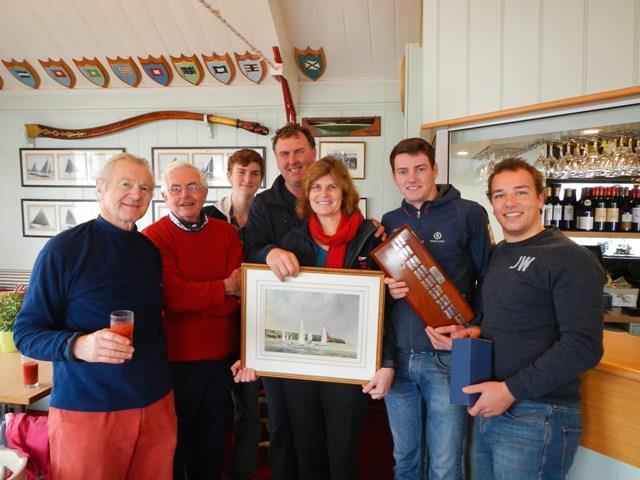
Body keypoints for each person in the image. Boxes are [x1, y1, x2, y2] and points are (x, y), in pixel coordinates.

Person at [13, 153, 176, 480]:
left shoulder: (149, 252)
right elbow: (26, 333)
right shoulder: (63, 250)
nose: (136, 194)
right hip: (89, 409)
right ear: (100, 188)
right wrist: (79, 345)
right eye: (126, 184)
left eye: (145, 187)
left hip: (155, 401)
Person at [463, 157, 605, 480]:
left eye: (520, 193)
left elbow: (583, 345)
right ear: (492, 204)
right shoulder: (499, 254)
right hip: (492, 407)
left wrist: (510, 390)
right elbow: (506, 321)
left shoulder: (570, 259)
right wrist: (471, 332)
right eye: (499, 195)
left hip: (538, 415)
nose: (509, 203)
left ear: (541, 198)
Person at [270, 157, 395, 480]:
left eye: (331, 186)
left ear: (344, 193)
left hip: (350, 363)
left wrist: (387, 360)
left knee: (343, 451)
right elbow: (280, 302)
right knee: (307, 449)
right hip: (303, 364)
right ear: (307, 194)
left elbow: (388, 308)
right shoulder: (293, 241)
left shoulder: (371, 237)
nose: (323, 193)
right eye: (316, 187)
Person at [382, 137, 492, 480]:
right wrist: (387, 290)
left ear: (435, 170)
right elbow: (378, 289)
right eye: (403, 171)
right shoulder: (388, 221)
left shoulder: (469, 214)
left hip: (445, 356)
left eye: (419, 169)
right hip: (399, 358)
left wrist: (473, 329)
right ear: (394, 177)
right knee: (405, 460)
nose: (411, 178)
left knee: (445, 464)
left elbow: (487, 280)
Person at [142, 161, 246, 480]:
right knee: (176, 447)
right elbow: (172, 297)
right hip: (174, 360)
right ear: (163, 195)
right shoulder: (153, 237)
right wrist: (220, 288)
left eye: (192, 187)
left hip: (220, 360)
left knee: (213, 445)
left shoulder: (227, 233)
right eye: (175, 188)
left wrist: (198, 295)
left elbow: (236, 297)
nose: (184, 195)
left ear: (205, 192)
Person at [243, 123, 318, 480]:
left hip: (325, 325)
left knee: (318, 424)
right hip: (278, 331)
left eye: (298, 151)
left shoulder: (330, 193)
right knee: (282, 423)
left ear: (313, 152)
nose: (292, 160)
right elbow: (251, 249)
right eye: (284, 154)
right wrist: (269, 251)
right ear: (277, 159)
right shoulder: (263, 204)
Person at [205, 148, 266, 480]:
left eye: (255, 173)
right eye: (241, 171)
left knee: (248, 407)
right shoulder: (207, 215)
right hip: (216, 319)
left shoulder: (267, 215)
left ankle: (242, 472)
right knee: (214, 407)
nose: (247, 179)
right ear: (229, 175)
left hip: (253, 323)